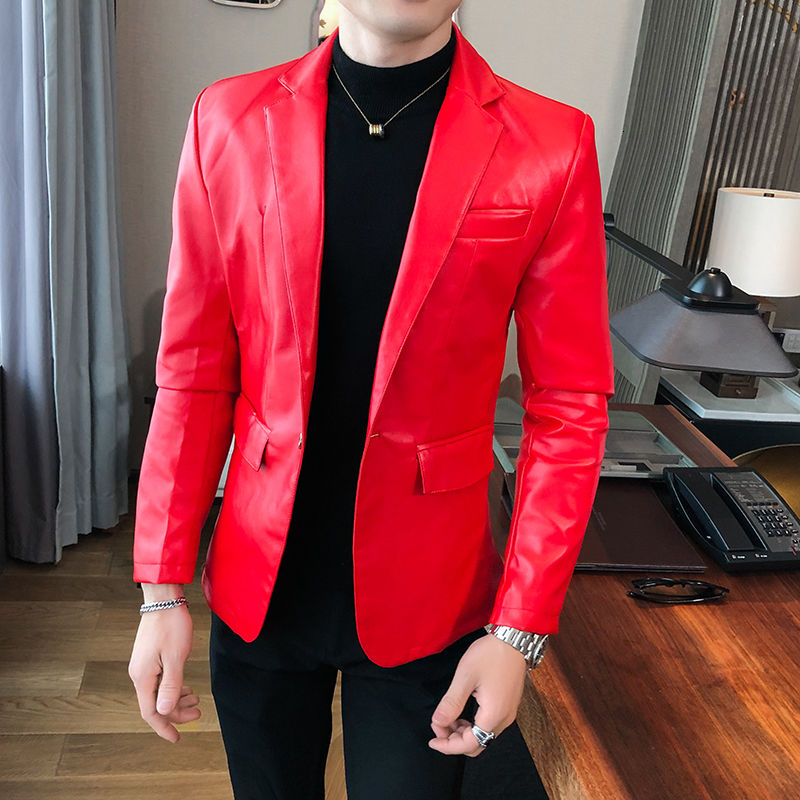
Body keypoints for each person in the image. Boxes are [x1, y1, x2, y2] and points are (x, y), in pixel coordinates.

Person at [127, 2, 615, 798]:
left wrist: (519, 628)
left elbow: (568, 405)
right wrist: (161, 587)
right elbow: (195, 371)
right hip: (262, 580)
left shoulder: (552, 144)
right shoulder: (229, 118)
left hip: (431, 593)